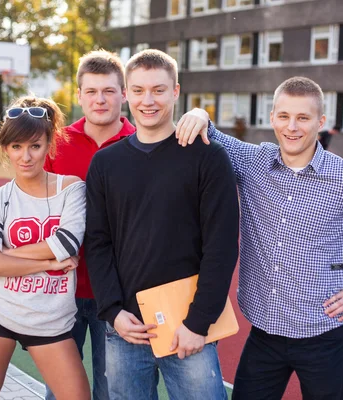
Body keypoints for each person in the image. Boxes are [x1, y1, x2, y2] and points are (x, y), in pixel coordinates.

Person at [177, 76, 343, 400]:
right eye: (284, 116)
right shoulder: (253, 161)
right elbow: (209, 132)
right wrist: (200, 113)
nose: (292, 127)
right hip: (264, 335)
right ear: (272, 118)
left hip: (322, 336)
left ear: (321, 122)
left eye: (303, 118)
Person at [43, 49, 211, 400]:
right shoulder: (58, 144)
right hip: (63, 290)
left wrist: (201, 115)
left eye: (108, 91)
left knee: (111, 392)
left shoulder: (147, 141)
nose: (100, 100)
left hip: (120, 295)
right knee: (60, 392)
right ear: (79, 96)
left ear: (123, 93)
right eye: (91, 92)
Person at [84, 49, 239, 400]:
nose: (147, 100)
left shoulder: (206, 155)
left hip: (187, 327)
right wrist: (112, 311)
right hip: (126, 329)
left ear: (176, 91)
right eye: (138, 90)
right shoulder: (105, 164)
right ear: (126, 94)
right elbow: (97, 242)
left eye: (158, 90)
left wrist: (198, 322)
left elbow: (222, 245)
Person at [0, 96, 90, 400]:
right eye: (16, 146)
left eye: (35, 146)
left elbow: (66, 243)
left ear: (49, 145)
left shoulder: (71, 189)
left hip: (50, 320)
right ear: (5, 148)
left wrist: (4, 254)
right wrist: (49, 262)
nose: (26, 157)